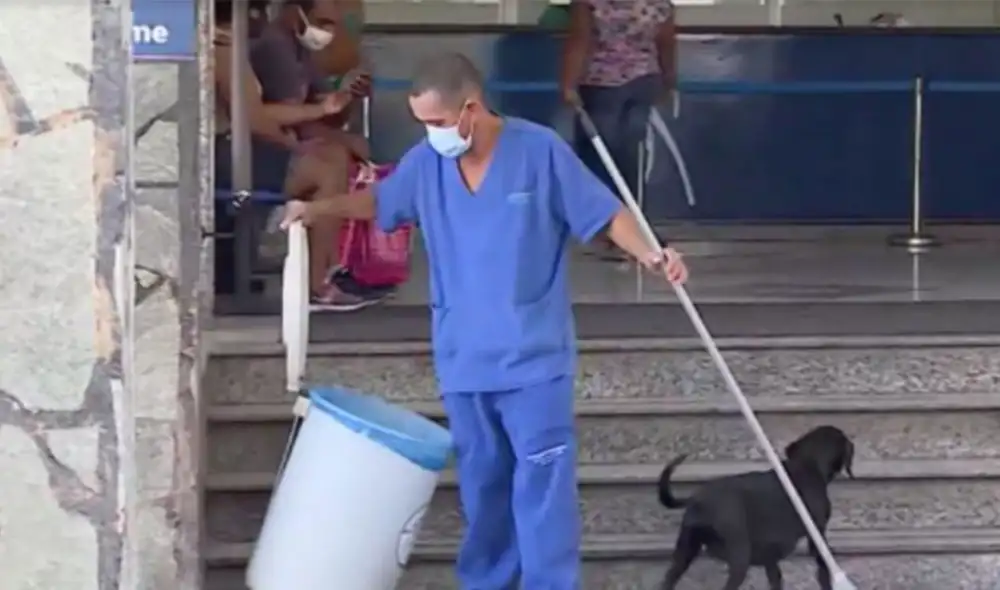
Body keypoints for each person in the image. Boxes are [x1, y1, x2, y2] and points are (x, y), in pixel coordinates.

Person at [280, 52, 689, 589]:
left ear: (471, 109)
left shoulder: (538, 152)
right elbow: (380, 201)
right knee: (485, 492)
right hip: (464, 364)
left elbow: (605, 212)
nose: (431, 135)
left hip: (533, 363)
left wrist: (652, 254)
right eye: (423, 124)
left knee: (543, 495)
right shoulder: (428, 165)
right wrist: (316, 210)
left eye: (438, 123)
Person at [213, 0, 375, 311]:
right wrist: (295, 146)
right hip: (226, 157)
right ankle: (316, 285)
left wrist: (341, 103)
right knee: (326, 168)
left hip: (239, 148)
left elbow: (315, 112)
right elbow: (255, 118)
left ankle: (325, 271)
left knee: (332, 158)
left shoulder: (244, 49)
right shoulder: (231, 52)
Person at [560, 0, 677, 259]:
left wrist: (568, 83)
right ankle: (634, 231)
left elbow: (580, 41)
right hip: (644, 83)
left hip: (601, 84)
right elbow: (666, 43)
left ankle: (608, 231)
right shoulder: (659, 3)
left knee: (601, 160)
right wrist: (669, 81)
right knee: (629, 158)